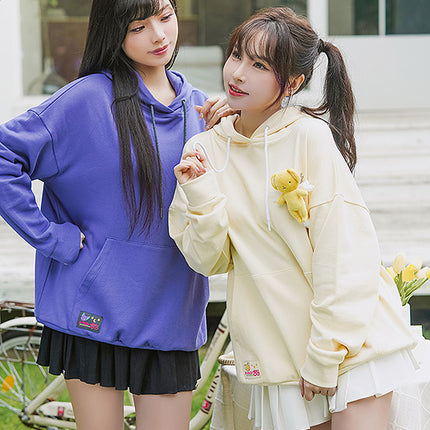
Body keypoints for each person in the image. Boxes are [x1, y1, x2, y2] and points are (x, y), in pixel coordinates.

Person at [169, 7, 418, 430]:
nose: (238, 73)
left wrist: (325, 354)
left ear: (293, 83)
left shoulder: (308, 137)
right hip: (280, 354)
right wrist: (202, 193)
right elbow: (209, 261)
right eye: (236, 55)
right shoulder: (204, 150)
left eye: (259, 65)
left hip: (350, 343)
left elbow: (345, 253)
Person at [0, 0, 233, 429]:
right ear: (114, 33)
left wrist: (237, 132)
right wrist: (51, 238)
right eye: (138, 26)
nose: (158, 35)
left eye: (165, 16)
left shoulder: (205, 113)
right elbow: (4, 156)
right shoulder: (86, 100)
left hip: (172, 314)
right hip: (95, 306)